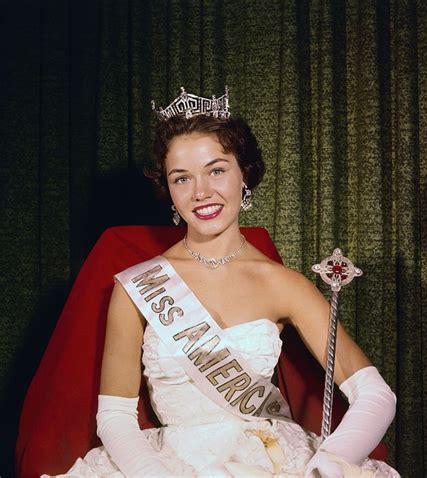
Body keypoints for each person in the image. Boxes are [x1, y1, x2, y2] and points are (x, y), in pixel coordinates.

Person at [43, 88, 399, 478]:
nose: (200, 193)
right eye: (182, 178)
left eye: (216, 170)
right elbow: (114, 416)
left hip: (272, 461)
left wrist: (327, 468)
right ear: (168, 189)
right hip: (166, 464)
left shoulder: (284, 285)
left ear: (243, 173)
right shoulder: (136, 287)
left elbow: (376, 395)